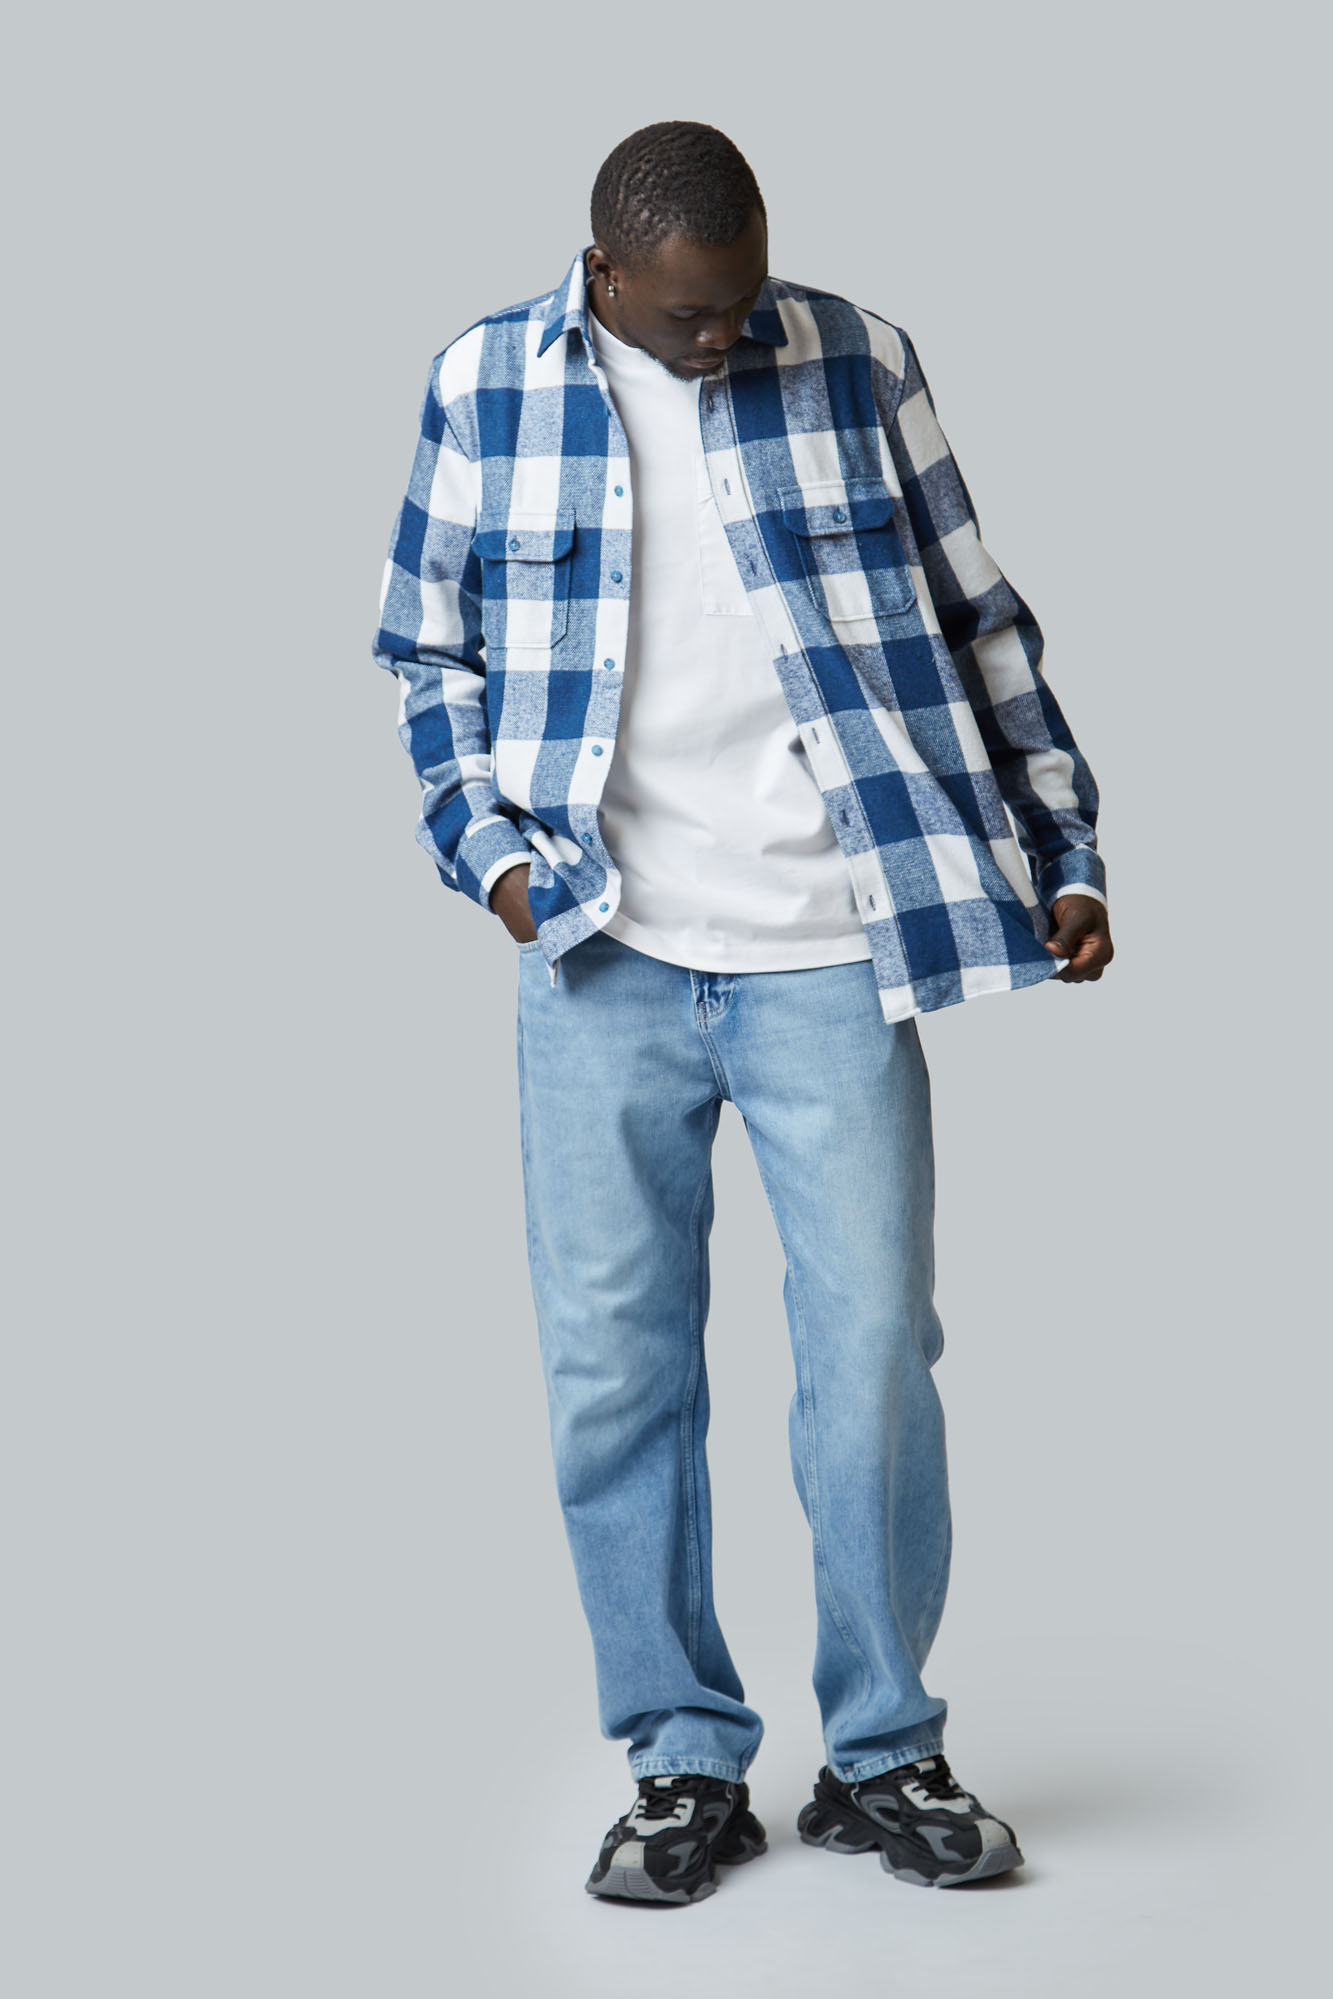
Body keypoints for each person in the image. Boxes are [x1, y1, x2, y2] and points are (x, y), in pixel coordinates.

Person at [372, 120, 1113, 1906]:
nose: (727, 336)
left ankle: (882, 1752)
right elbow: (425, 653)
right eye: (692, 315)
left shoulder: (855, 355)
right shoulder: (485, 381)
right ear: (605, 274)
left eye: (743, 301)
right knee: (613, 1375)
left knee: (873, 1359)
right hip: (600, 952)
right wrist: (496, 864)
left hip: (832, 947)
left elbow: (980, 615)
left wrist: (1064, 844)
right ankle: (682, 1760)